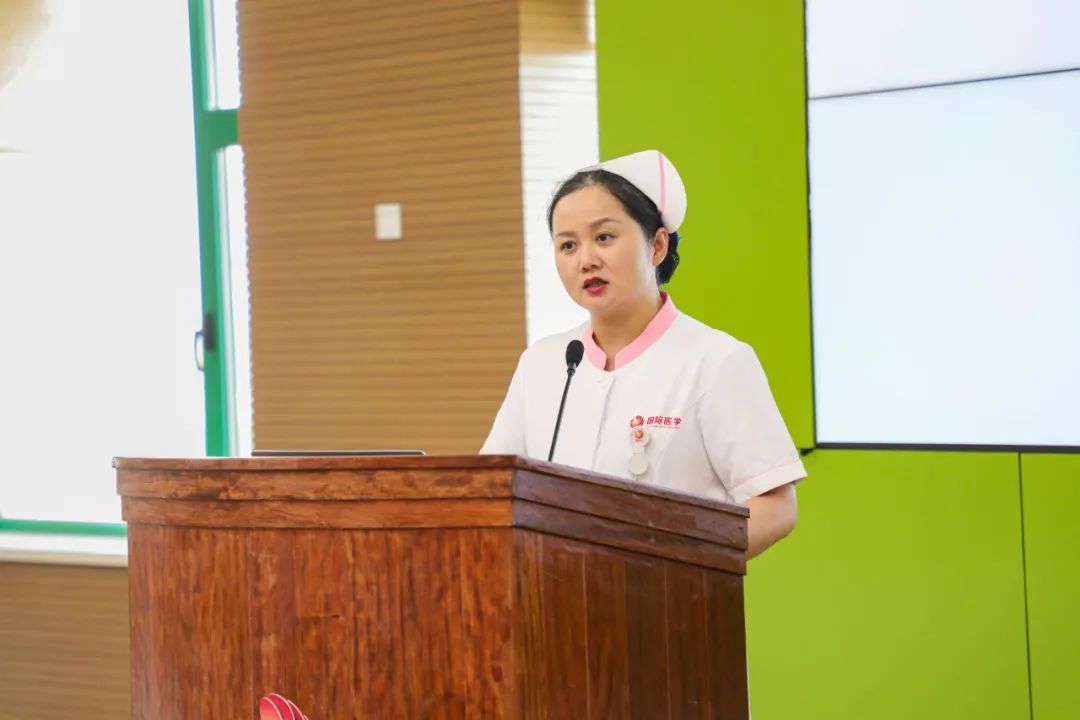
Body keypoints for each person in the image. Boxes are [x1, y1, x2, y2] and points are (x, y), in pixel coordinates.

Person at [481, 150, 805, 558]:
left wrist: (679, 562)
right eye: (568, 245)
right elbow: (491, 491)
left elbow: (775, 506)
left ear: (657, 245)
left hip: (672, 593)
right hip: (552, 591)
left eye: (604, 237)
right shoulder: (542, 363)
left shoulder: (716, 360)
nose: (586, 260)